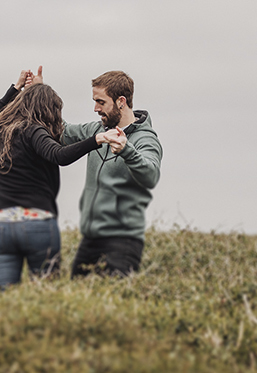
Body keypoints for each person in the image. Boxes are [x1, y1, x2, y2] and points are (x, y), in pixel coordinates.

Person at [0, 70, 126, 290]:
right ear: (48, 110)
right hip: (37, 223)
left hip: (2, 225)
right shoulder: (35, 131)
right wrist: (97, 139)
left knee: (2, 298)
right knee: (44, 295)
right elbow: (59, 155)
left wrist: (16, 88)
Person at [22, 68, 163, 278]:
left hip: (123, 242)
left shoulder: (145, 139)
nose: (95, 108)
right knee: (78, 305)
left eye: (101, 102)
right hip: (90, 240)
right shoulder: (96, 130)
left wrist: (127, 151)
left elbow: (150, 175)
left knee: (115, 305)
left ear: (121, 101)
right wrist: (37, 92)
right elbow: (59, 130)